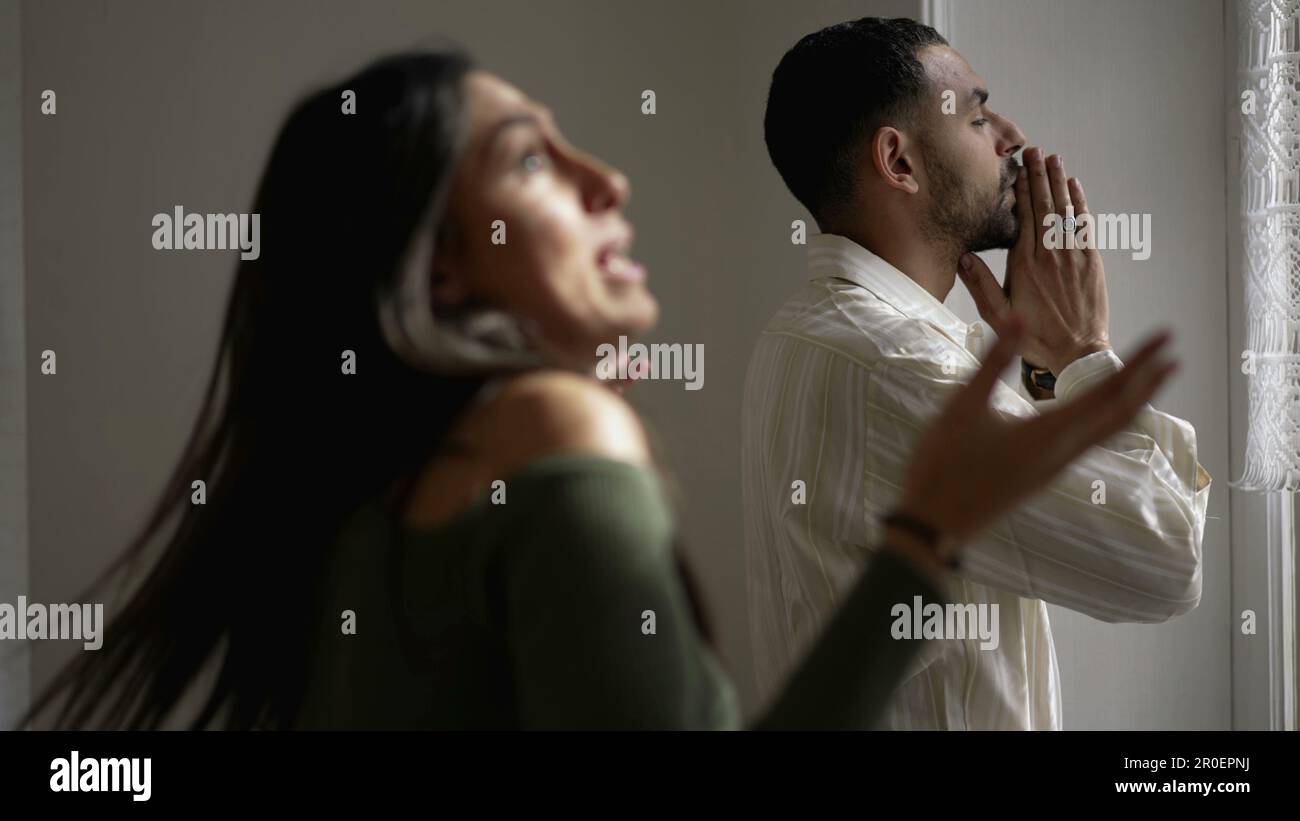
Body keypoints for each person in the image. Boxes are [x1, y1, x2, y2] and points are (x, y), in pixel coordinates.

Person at [21, 48, 1177, 731]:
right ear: (443, 259)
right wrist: (933, 525)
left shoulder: (394, 473)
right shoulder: (550, 427)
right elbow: (1162, 562)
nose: (605, 177)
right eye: (529, 159)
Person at [743, 17, 1212, 730]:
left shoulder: (809, 336)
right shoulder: (895, 368)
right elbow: (1165, 563)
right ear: (898, 162)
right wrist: (1081, 352)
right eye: (977, 114)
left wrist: (1047, 370)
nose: (1013, 138)